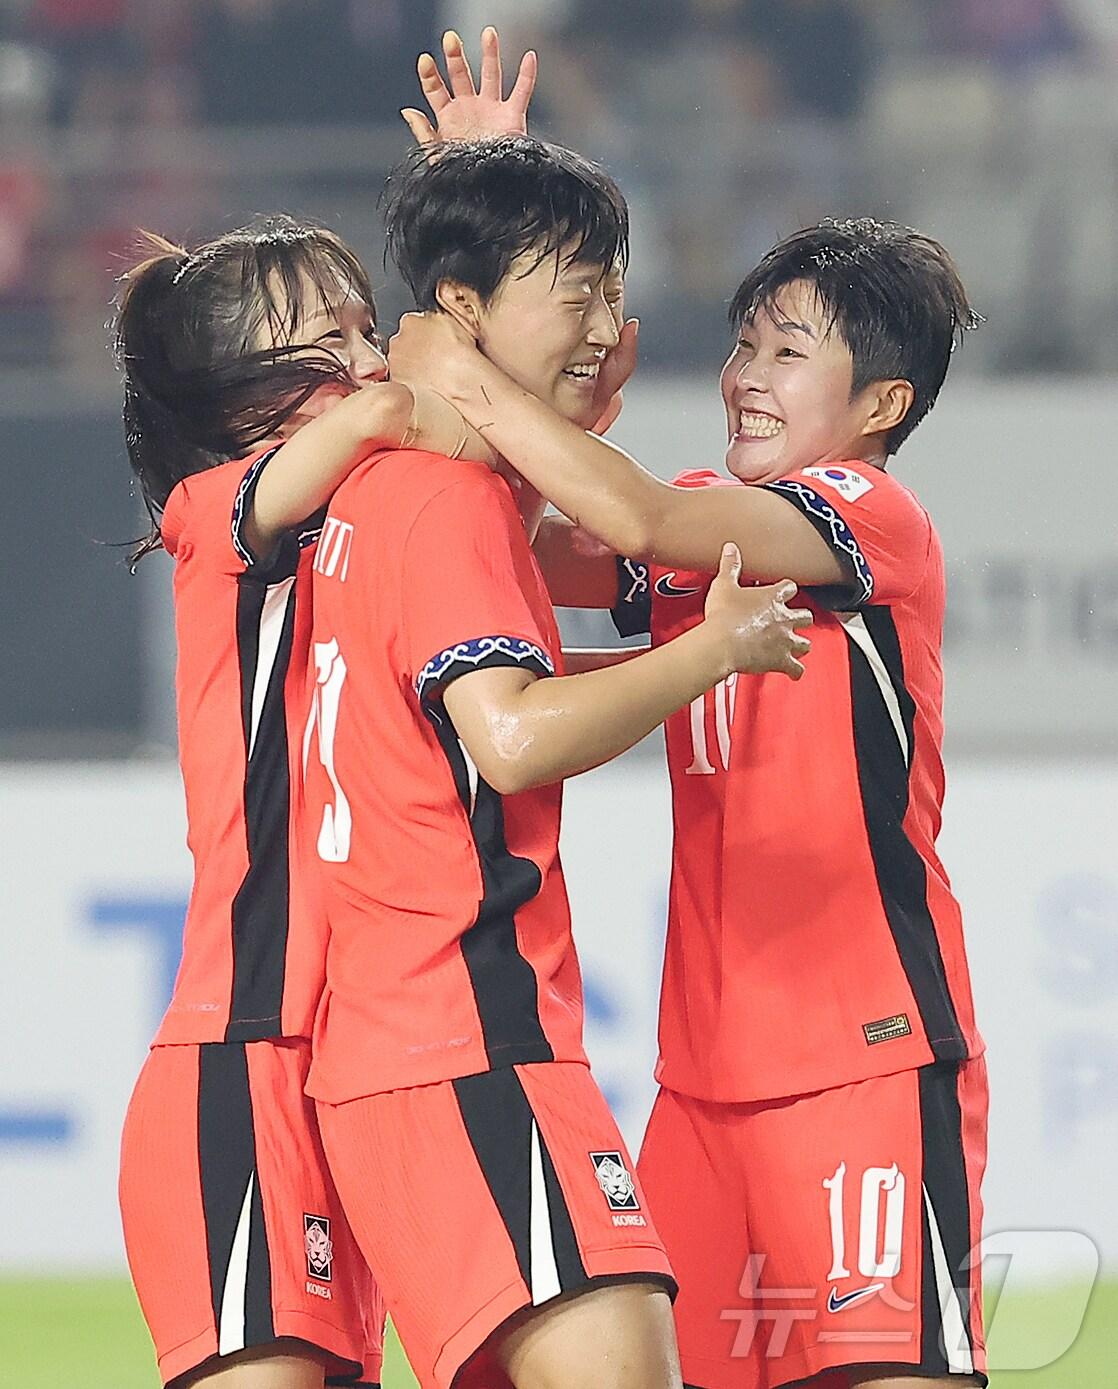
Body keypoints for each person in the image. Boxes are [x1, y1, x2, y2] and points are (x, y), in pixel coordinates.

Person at [389, 212, 988, 1389]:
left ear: (881, 402)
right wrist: (525, 360)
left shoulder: (865, 514)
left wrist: (463, 372)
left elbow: (641, 518)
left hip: (861, 1061)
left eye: (786, 352)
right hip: (700, 1084)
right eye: (742, 345)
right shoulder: (716, 521)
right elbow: (512, 541)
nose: (744, 376)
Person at [301, 135, 812, 1389]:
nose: (603, 325)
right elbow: (512, 736)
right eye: (574, 290)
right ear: (461, 308)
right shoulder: (447, 507)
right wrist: (712, 654)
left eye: (612, 289)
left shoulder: (386, 492)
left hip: (401, 1051)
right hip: (469, 1042)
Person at [114, 36, 538, 1389]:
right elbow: (389, 421)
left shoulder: (374, 520)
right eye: (334, 337)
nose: (369, 359)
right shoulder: (211, 515)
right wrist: (443, 333)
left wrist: (486, 197)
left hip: (365, 1070)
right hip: (242, 1059)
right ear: (241, 388)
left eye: (370, 325)